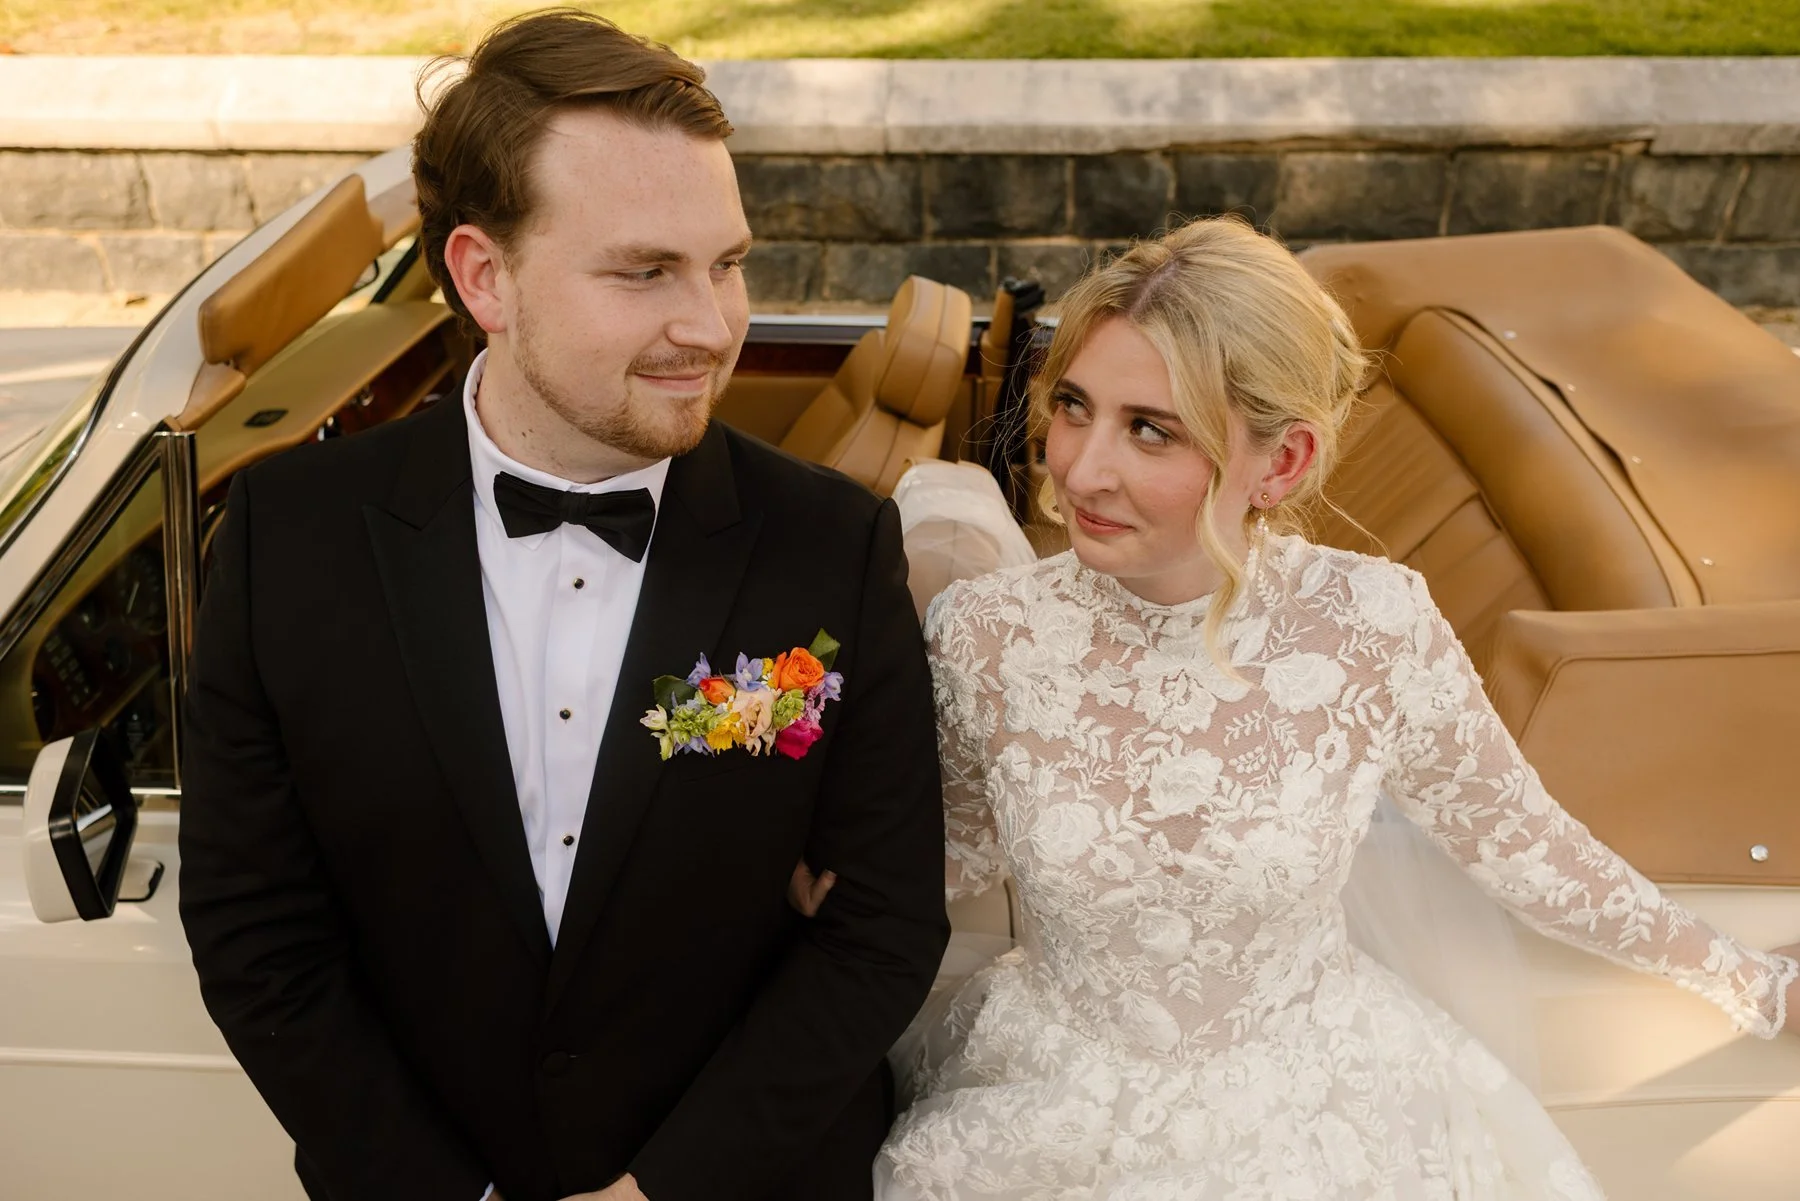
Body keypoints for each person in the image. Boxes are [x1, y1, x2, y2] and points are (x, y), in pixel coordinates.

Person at [177, 12, 947, 1201]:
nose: (712, 324)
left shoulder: (833, 547)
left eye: (727, 263)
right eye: (645, 271)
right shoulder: (291, 539)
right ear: (485, 275)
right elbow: (257, 934)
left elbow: (883, 930)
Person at [871, 217, 1800, 1198]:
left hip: (1314, 1119)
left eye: (1150, 428)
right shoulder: (984, 633)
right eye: (1073, 406)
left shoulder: (1372, 626)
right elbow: (947, 856)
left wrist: (1754, 982)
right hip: (1046, 1105)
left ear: (1281, 462)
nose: (1082, 468)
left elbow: (1527, 850)